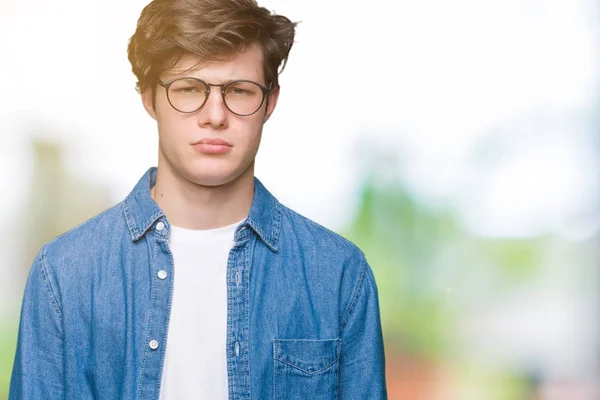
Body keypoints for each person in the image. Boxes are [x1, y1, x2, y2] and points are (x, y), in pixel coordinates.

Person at [9, 0, 388, 398]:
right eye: (189, 89)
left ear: (270, 103)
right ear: (149, 98)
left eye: (238, 91)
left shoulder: (338, 275)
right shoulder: (65, 275)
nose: (214, 115)